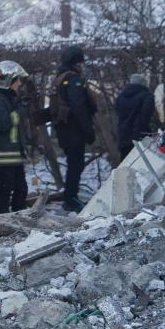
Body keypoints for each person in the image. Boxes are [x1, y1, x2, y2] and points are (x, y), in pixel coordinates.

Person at [51, 45, 96, 212]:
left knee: (74, 163)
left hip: (64, 129)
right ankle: (70, 198)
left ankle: (70, 196)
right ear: (76, 62)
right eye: (81, 62)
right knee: (75, 164)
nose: (82, 65)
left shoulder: (60, 77)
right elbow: (79, 107)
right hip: (74, 130)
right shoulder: (74, 80)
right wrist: (88, 131)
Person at [0, 61, 29, 213]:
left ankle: (19, 217)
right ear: (8, 81)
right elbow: (3, 124)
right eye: (17, 80)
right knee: (5, 189)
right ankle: (2, 219)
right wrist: (19, 112)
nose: (19, 83)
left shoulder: (9, 99)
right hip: (3, 155)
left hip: (14, 154)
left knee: (21, 189)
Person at [115, 73, 155, 159]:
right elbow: (146, 115)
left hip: (123, 139)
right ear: (143, 83)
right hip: (141, 139)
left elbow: (118, 113)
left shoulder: (120, 97)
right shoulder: (147, 97)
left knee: (125, 167)